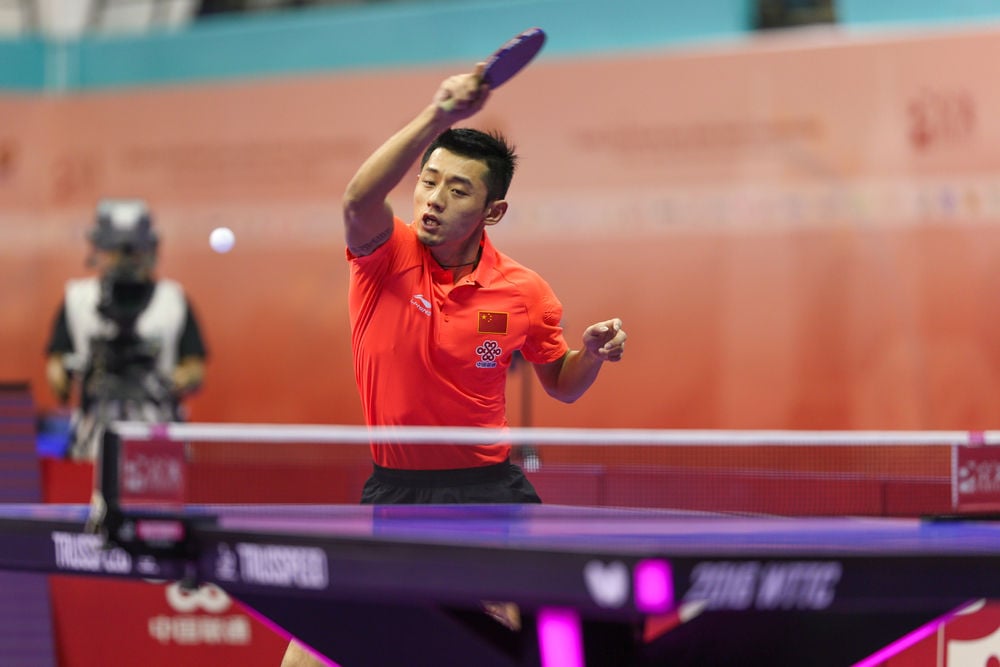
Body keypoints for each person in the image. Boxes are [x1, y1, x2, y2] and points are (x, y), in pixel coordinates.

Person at [280, 61, 627, 667]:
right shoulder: (384, 255)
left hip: (486, 492)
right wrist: (439, 116)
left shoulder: (524, 291)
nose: (434, 200)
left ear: (493, 211)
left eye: (458, 189)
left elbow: (563, 385)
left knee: (541, 643)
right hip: (395, 488)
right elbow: (358, 197)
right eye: (429, 181)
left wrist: (591, 357)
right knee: (314, 653)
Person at [44, 198, 207, 461]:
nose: (124, 260)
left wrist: (168, 379)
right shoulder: (78, 300)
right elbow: (56, 370)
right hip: (92, 446)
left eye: (133, 251)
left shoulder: (172, 300)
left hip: (159, 443)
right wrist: (72, 371)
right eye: (116, 250)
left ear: (150, 250)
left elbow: (195, 369)